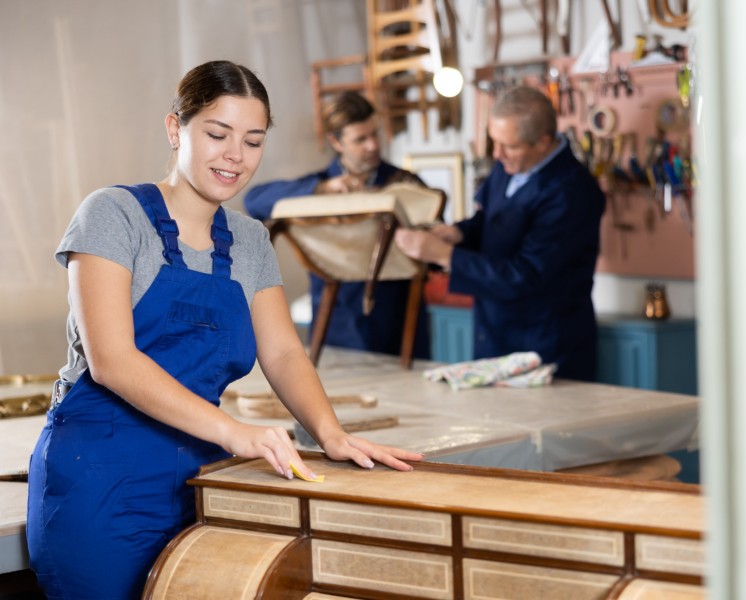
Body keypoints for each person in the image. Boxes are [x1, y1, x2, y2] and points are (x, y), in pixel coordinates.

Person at [26, 61, 422, 600]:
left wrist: (329, 433)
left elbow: (283, 352)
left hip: (204, 479)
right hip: (98, 478)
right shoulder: (113, 215)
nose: (236, 155)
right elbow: (113, 361)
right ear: (175, 129)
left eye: (253, 140)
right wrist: (236, 432)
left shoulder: (250, 240)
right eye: (217, 134)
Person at [394, 85, 605, 381]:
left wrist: (445, 255)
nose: (497, 154)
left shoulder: (572, 193)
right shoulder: (508, 167)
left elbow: (527, 274)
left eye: (509, 146)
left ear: (543, 142)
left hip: (546, 346)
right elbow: (490, 220)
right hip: (493, 335)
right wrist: (457, 233)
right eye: (494, 142)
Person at [244, 91, 429, 359]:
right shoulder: (317, 184)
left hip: (400, 321)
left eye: (374, 134)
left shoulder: (406, 183)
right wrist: (323, 188)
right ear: (336, 141)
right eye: (360, 139)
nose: (372, 145)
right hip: (336, 323)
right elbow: (255, 200)